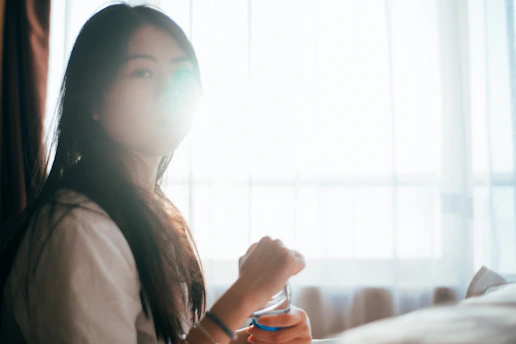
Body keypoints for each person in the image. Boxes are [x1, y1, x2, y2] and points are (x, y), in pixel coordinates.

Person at [0, 4, 311, 344]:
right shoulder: (79, 227)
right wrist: (243, 296)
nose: (171, 92)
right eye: (143, 73)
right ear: (94, 101)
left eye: (181, 74)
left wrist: (247, 339)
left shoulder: (152, 212)